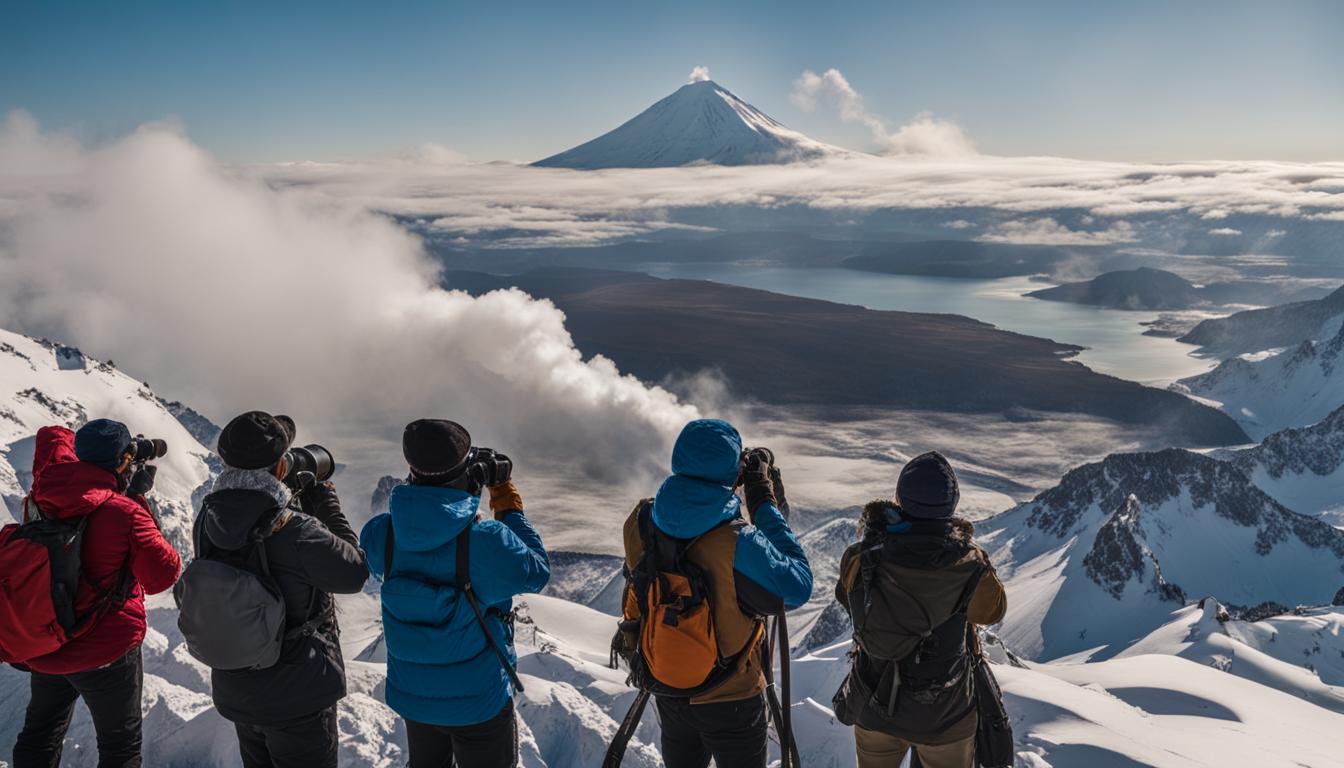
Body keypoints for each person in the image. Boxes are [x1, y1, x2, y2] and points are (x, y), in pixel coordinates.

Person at [623, 418, 813, 768]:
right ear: (731, 471)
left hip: (669, 684)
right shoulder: (738, 542)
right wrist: (763, 502)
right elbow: (797, 587)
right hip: (732, 696)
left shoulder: (639, 522)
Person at [361, 419, 549, 768]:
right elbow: (537, 571)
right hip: (479, 701)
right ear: (465, 471)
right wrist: (506, 499)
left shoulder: (381, 534)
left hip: (413, 696)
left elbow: (378, 550)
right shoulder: (485, 541)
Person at [192, 411, 369, 768]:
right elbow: (354, 573)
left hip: (238, 688)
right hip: (297, 697)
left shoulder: (208, 519)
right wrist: (327, 506)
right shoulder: (294, 530)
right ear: (279, 469)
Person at [12, 420, 181, 768]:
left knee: (40, 734)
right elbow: (162, 576)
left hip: (48, 640)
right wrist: (135, 497)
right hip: (107, 653)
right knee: (119, 746)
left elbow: (50, 435)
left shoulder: (45, 490)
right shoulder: (124, 512)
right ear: (123, 462)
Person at [834, 451, 1007, 768]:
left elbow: (848, 598)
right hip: (946, 714)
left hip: (875, 702)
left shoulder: (861, 556)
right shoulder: (970, 563)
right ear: (951, 505)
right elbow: (990, 613)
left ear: (899, 498)